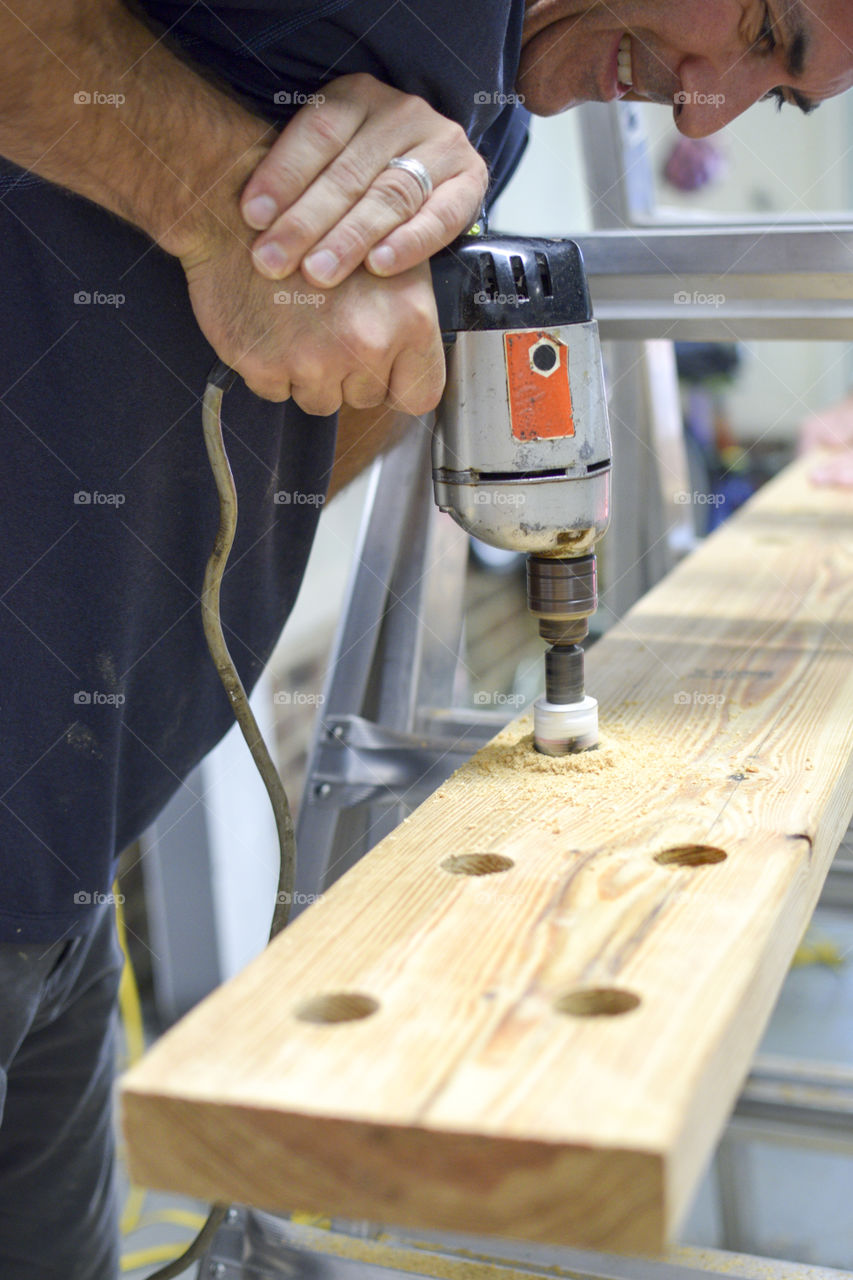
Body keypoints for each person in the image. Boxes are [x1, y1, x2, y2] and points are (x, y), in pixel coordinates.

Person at [2, 2, 853, 1276]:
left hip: (65, 854)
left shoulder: (491, 115)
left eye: (777, 97)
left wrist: (381, 287)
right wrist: (223, 194)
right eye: (765, 26)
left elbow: (329, 386)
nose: (704, 107)